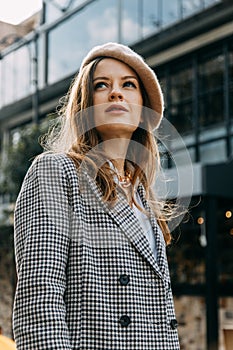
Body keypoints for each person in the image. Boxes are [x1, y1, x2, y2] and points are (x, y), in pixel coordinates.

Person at [13, 42, 180, 349]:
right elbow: (40, 299)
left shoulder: (144, 199)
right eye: (102, 85)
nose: (116, 92)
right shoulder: (56, 172)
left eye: (128, 85)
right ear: (85, 105)